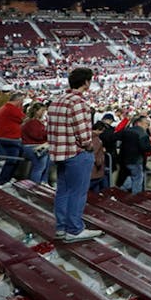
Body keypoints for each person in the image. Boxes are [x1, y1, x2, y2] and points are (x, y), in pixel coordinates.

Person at [47, 67, 102, 242]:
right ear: (86, 82)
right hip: (76, 154)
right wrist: (89, 147)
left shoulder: (57, 100)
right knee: (78, 192)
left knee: (63, 191)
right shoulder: (78, 103)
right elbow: (83, 135)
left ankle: (61, 228)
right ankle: (75, 229)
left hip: (60, 153)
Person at [114, 115, 151, 194]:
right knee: (138, 179)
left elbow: (113, 137)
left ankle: (120, 191)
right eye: (146, 124)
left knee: (133, 177)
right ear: (139, 123)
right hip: (136, 160)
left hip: (124, 159)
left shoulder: (127, 130)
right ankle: (135, 197)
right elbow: (144, 148)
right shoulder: (143, 134)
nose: (147, 126)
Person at [0, 91, 25, 184]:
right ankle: (2, 180)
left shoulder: (3, 107)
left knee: (11, 160)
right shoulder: (12, 109)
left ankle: (5, 178)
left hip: (2, 136)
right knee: (12, 161)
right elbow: (24, 119)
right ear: (19, 101)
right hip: (11, 138)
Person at [20, 102, 50, 183]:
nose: (43, 112)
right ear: (36, 111)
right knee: (39, 167)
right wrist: (47, 133)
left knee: (45, 165)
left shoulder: (32, 121)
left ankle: (43, 182)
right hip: (33, 147)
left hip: (33, 146)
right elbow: (37, 136)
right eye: (42, 110)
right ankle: (35, 185)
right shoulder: (32, 122)